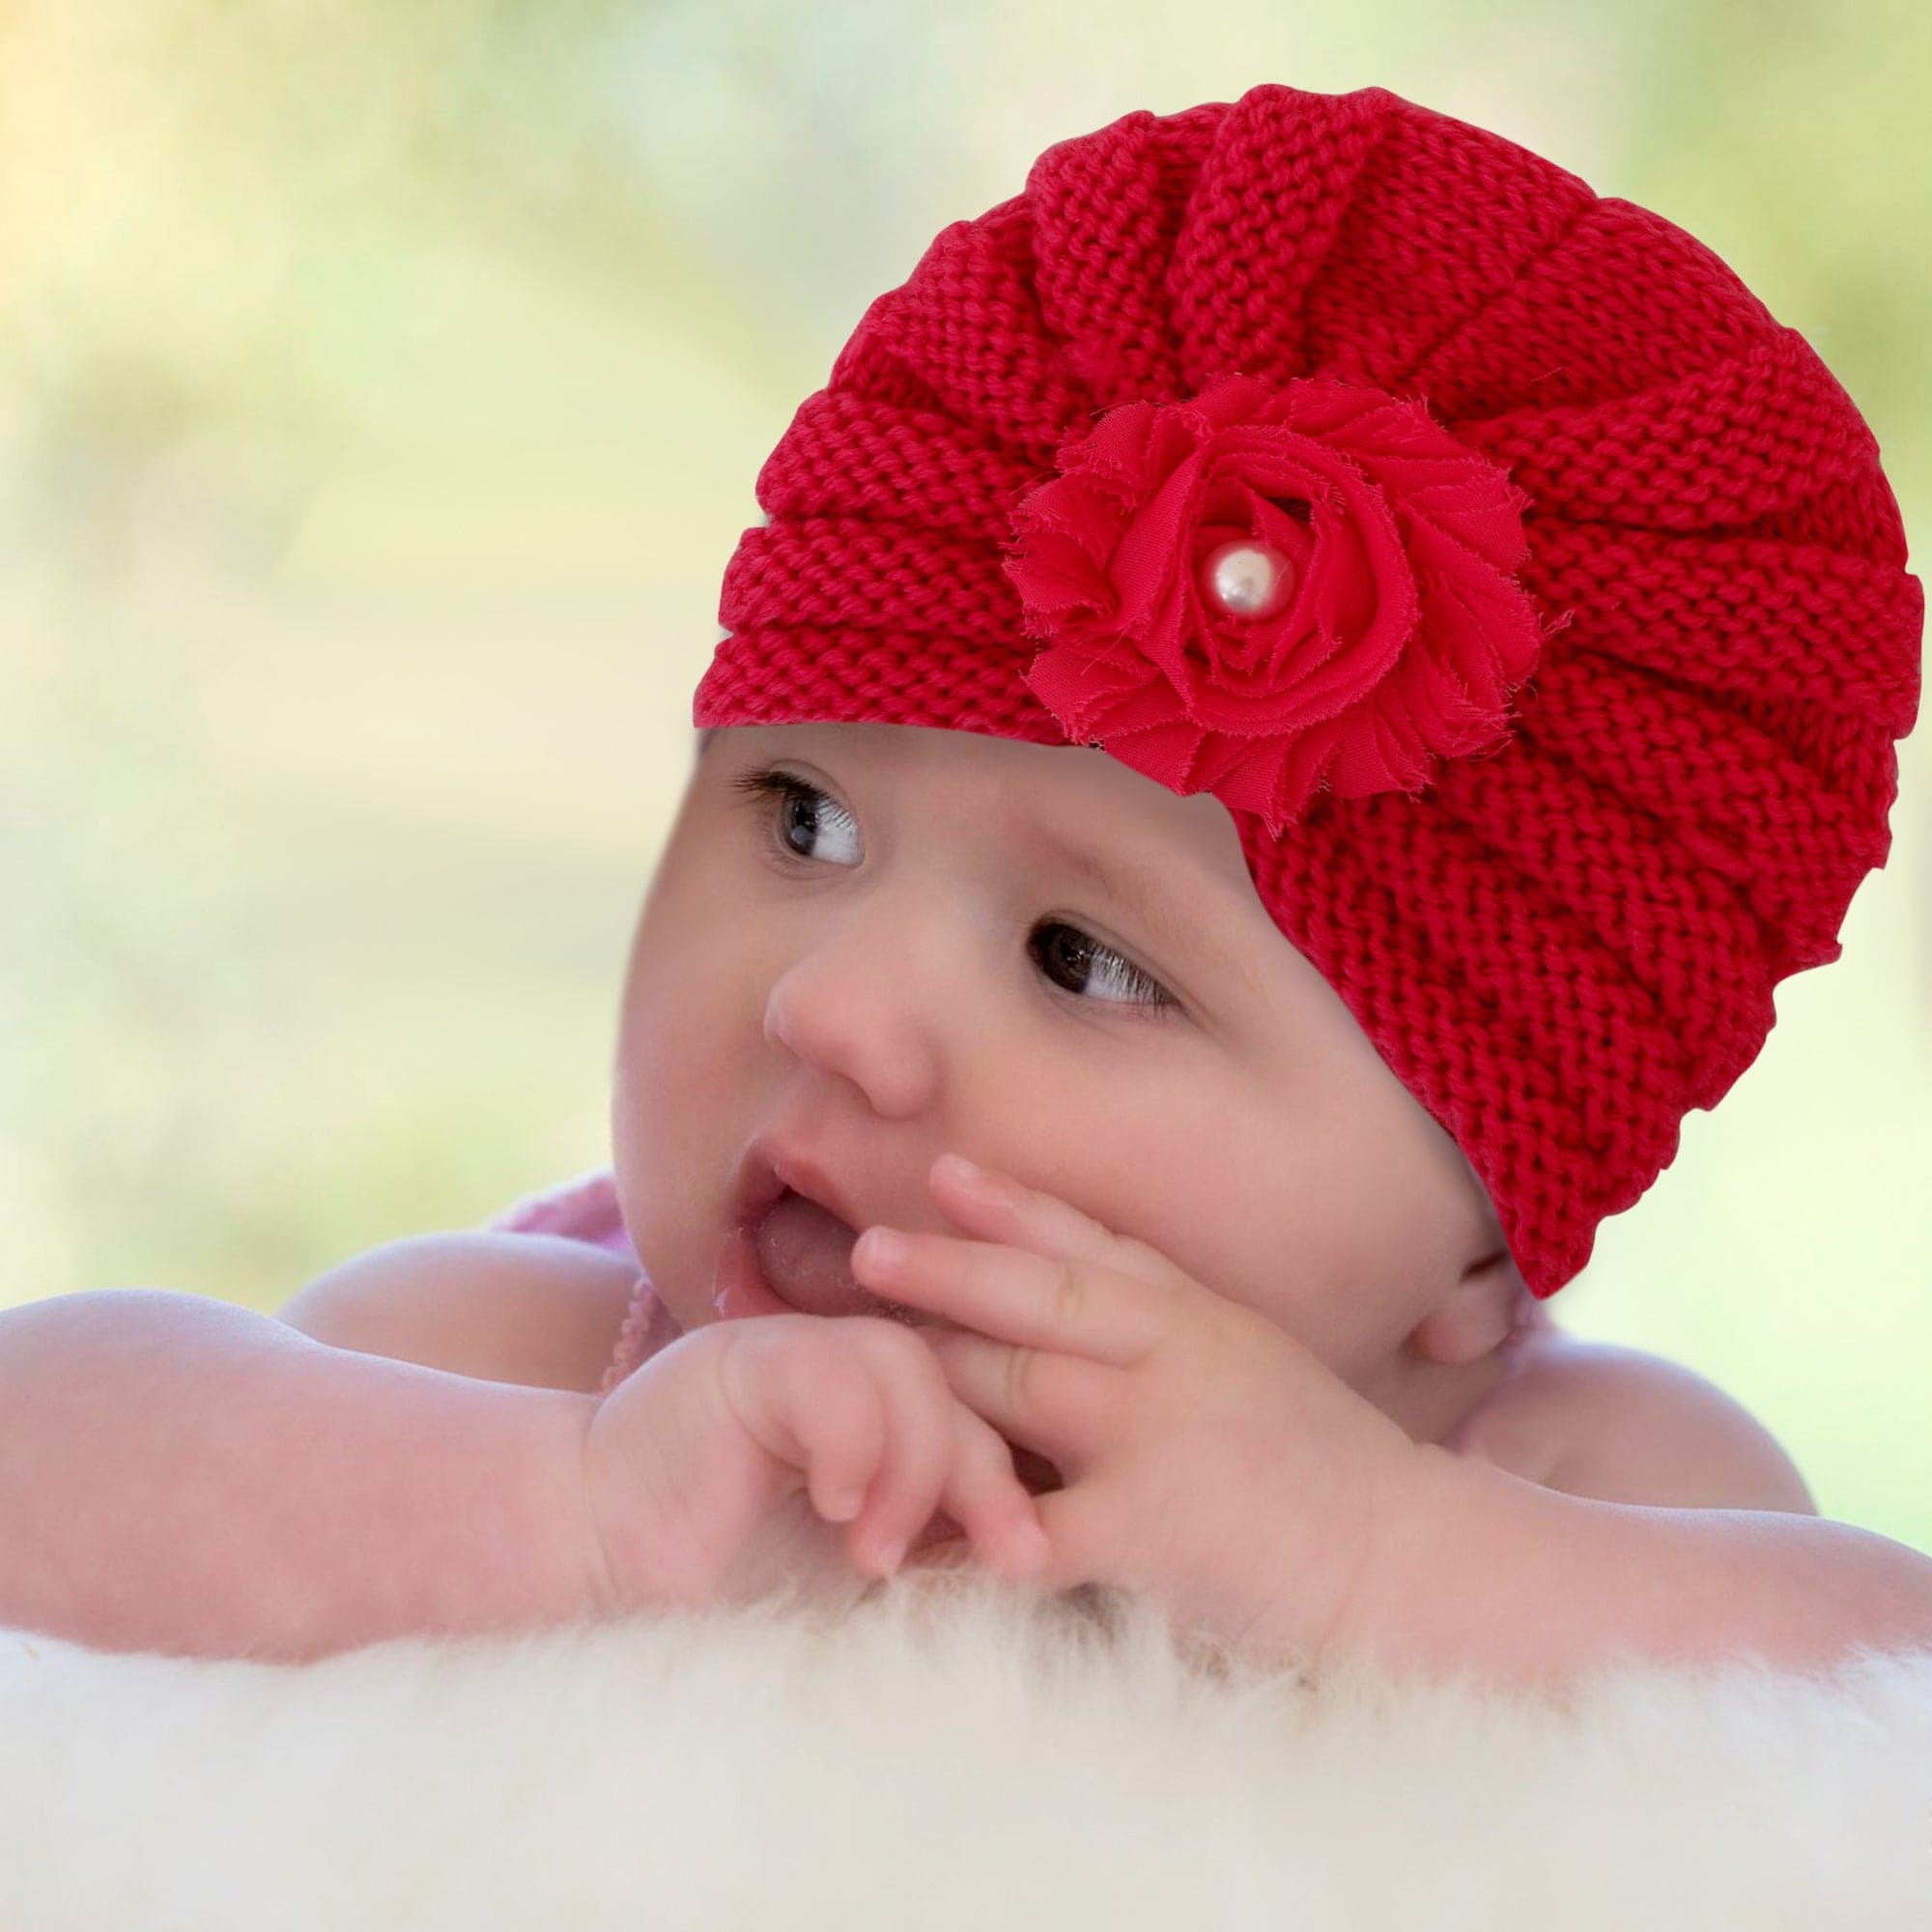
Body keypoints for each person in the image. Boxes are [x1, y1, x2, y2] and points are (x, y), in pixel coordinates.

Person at [3, 81, 1927, 1689]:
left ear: (1479, 1257)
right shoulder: (540, 1363)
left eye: (1084, 958)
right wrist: (577, 1516)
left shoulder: (1559, 1481)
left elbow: (1880, 1719)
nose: (827, 1002)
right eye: (804, 821)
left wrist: (1370, 1556)